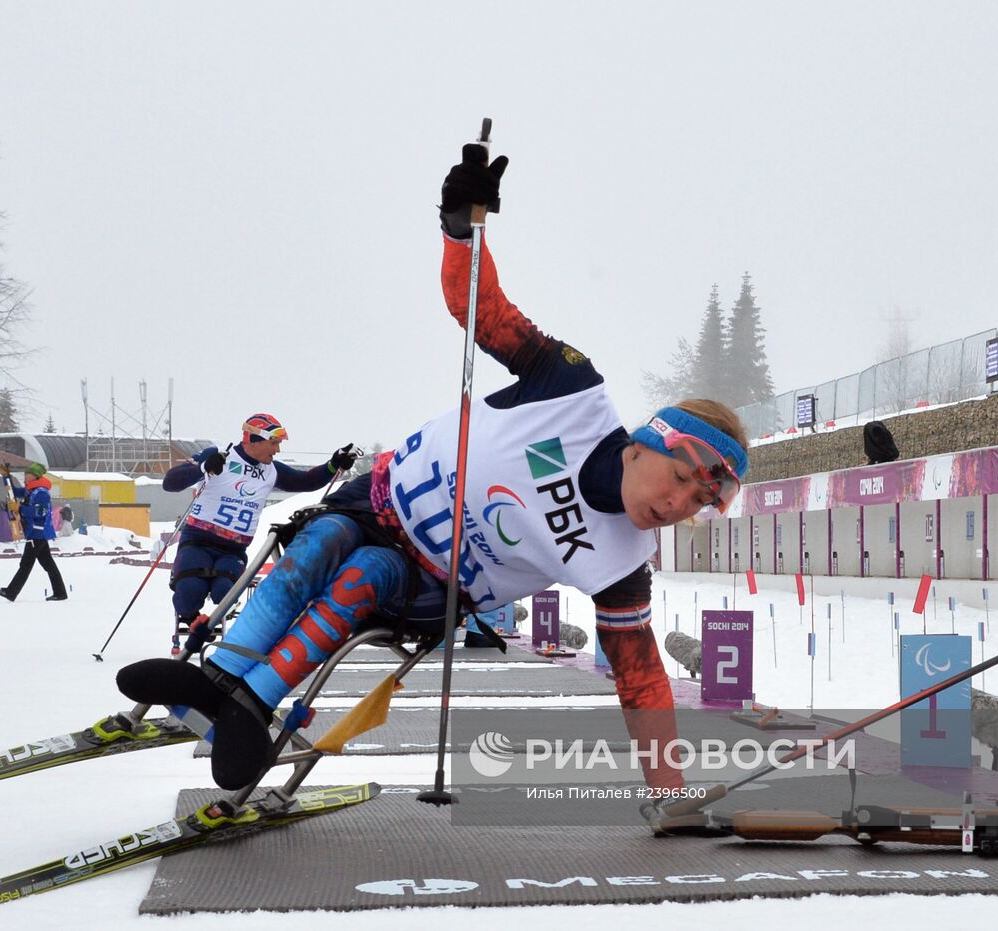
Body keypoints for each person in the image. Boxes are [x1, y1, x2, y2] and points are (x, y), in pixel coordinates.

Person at [116, 143, 750, 794]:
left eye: (701, 502)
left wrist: (669, 790)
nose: (679, 505)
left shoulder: (622, 564)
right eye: (681, 478)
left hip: (427, 584)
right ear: (649, 440)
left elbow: (641, 676)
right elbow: (481, 309)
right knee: (320, 542)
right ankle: (216, 677)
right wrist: (458, 227)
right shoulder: (573, 390)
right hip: (376, 499)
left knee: (361, 572)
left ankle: (251, 704)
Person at [157, 414, 358, 655]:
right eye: (274, 443)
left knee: (223, 592)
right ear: (254, 439)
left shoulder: (271, 470)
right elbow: (170, 483)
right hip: (198, 540)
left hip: (233, 548)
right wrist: (202, 468)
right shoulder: (219, 456)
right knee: (189, 594)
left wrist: (334, 464)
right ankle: (193, 620)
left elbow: (305, 481)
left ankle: (210, 631)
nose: (277, 449)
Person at [0, 462, 68, 602]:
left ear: (34, 476)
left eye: (27, 475)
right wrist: (6, 476)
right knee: (48, 564)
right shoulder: (31, 490)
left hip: (37, 532)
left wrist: (19, 508)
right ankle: (60, 592)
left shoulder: (41, 493)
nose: (24, 477)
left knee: (26, 564)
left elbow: (40, 512)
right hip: (36, 532)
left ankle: (11, 592)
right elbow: (14, 492)